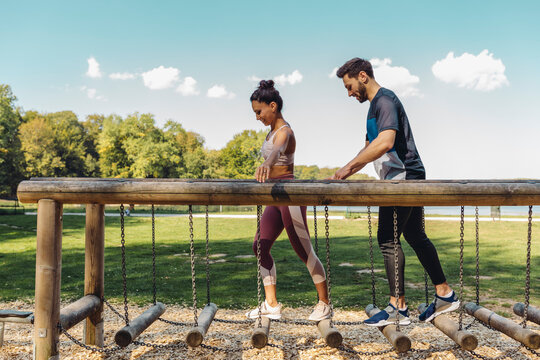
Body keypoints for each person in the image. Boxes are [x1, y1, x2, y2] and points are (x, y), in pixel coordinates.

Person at [331, 58, 459, 326]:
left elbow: (386, 142)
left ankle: (397, 307)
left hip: (404, 178)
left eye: (349, 86)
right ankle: (444, 294)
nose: (349, 93)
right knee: (414, 235)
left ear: (363, 76)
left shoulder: (385, 101)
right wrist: (344, 172)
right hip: (398, 178)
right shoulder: (372, 110)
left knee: (387, 238)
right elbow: (369, 148)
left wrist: (348, 167)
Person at [245, 80, 331, 321]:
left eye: (259, 111)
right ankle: (271, 304)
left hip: (290, 197)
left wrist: (267, 163)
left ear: (273, 106)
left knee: (304, 252)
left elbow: (277, 150)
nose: (257, 117)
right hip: (274, 198)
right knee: (259, 246)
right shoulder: (271, 131)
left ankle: (324, 303)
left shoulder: (285, 131)